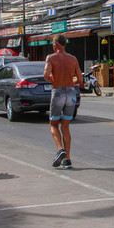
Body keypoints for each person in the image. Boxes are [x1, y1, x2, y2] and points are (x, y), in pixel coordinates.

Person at [43, 34, 83, 169]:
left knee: (53, 124)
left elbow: (46, 75)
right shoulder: (73, 59)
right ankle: (67, 159)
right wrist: (70, 81)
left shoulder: (51, 58)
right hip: (71, 93)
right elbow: (80, 79)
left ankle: (60, 149)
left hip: (58, 92)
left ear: (55, 44)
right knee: (65, 126)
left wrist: (53, 80)